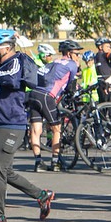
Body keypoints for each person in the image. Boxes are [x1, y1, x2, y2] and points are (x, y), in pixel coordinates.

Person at [0, 29, 54, 222]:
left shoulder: (18, 61)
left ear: (6, 49)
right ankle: (42, 195)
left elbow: (12, 79)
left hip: (12, 124)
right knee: (5, 170)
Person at [28, 39, 83, 172]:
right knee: (57, 129)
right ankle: (55, 162)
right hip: (47, 96)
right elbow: (70, 85)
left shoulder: (53, 62)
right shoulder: (71, 65)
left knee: (36, 130)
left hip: (33, 94)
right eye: (77, 54)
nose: (79, 57)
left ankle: (38, 162)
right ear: (69, 54)